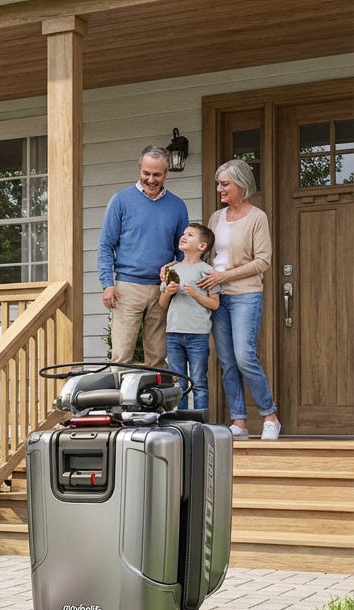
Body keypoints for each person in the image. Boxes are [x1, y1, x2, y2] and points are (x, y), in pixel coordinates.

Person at [196, 159, 281, 440]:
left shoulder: (258, 217)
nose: (219, 189)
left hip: (245, 295)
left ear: (241, 185)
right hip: (217, 297)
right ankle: (239, 422)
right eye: (218, 183)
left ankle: (270, 416)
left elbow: (263, 261)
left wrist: (225, 276)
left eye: (225, 184)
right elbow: (205, 256)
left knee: (245, 357)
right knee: (227, 360)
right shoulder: (215, 218)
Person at [98, 145, 190, 367]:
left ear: (166, 173)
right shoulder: (121, 200)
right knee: (121, 356)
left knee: (158, 357)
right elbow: (105, 245)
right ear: (139, 168)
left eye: (157, 174)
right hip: (127, 288)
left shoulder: (177, 206)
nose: (151, 179)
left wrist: (176, 266)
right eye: (146, 173)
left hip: (162, 289)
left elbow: (182, 250)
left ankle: (155, 401)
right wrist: (107, 284)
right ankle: (119, 402)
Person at [158, 223, 220, 410]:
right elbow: (162, 304)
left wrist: (195, 294)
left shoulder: (207, 271)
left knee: (199, 382)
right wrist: (168, 292)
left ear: (202, 246)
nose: (183, 236)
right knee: (179, 384)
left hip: (197, 335)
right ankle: (182, 423)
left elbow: (215, 303)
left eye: (190, 235)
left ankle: (200, 424)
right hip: (174, 333)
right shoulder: (172, 269)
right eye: (184, 233)